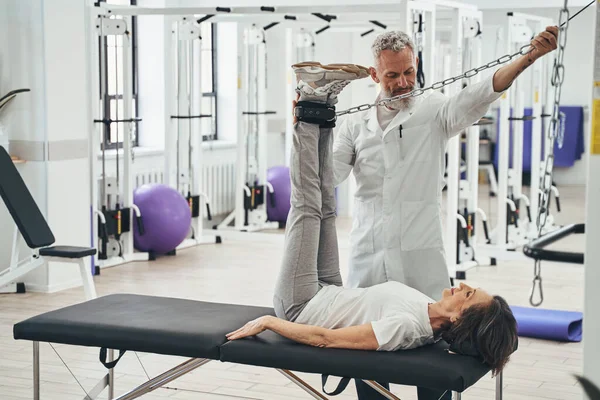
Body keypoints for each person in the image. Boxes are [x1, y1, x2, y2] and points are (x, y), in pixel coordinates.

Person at [227, 62, 519, 400]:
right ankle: (319, 103)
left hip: (301, 303)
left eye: (469, 295)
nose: (464, 285)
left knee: (308, 206)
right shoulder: (429, 314)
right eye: (393, 74)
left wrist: (269, 322)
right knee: (325, 205)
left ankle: (309, 97)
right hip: (330, 290)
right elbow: (331, 175)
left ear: (458, 318)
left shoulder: (407, 327)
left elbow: (326, 339)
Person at [329, 26, 557, 399]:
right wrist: (309, 126)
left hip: (422, 256)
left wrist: (529, 57)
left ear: (415, 65)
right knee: (364, 352)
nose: (403, 82)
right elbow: (331, 175)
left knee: (435, 355)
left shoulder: (434, 110)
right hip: (369, 256)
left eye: (408, 72)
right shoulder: (355, 124)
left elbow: (480, 95)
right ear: (374, 74)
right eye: (392, 75)